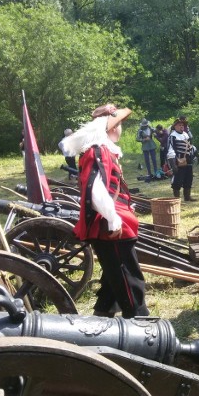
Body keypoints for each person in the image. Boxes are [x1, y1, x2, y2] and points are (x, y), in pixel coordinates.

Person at [59, 104, 149, 318]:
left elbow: (109, 188)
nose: (120, 129)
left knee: (112, 278)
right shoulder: (97, 151)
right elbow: (96, 190)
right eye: (118, 125)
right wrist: (113, 218)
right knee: (129, 278)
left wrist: (123, 207)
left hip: (115, 221)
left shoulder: (105, 151)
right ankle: (141, 320)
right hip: (110, 228)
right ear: (109, 128)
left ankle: (102, 315)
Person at [167, 117, 197, 201]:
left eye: (182, 125)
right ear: (175, 126)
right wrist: (173, 164)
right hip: (178, 161)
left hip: (188, 161)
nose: (181, 127)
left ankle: (187, 197)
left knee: (188, 178)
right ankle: (177, 199)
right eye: (179, 125)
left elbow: (190, 147)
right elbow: (170, 150)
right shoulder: (172, 136)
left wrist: (193, 156)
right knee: (177, 180)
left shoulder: (185, 134)